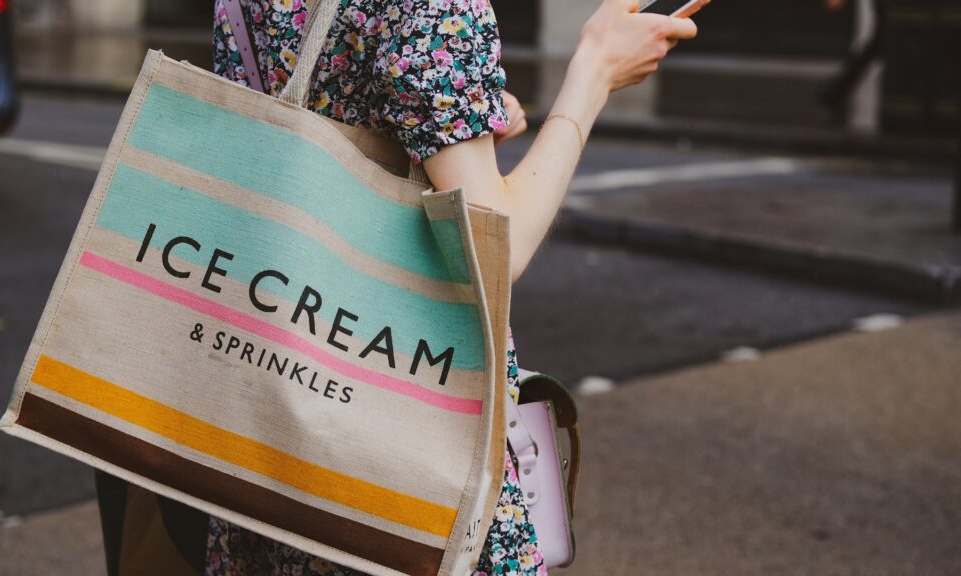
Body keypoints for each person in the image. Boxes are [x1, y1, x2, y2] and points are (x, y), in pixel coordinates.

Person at [209, 0, 696, 573]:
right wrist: (594, 72)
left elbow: (309, 120)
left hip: (271, 427)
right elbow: (496, 247)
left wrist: (455, 132)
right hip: (398, 444)